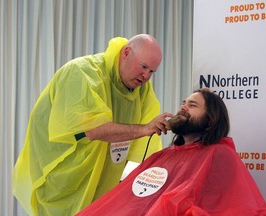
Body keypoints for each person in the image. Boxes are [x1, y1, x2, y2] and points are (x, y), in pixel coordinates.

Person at [12, 34, 173, 216]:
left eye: (152, 72)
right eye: (143, 67)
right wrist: (144, 129)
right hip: (65, 181)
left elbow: (144, 145)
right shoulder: (82, 73)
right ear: (126, 53)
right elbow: (95, 129)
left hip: (103, 184)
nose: (146, 76)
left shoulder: (141, 89)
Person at [77, 88, 266, 216]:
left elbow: (222, 207)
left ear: (211, 119)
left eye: (192, 105)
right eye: (183, 103)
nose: (183, 108)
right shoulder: (165, 155)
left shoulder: (219, 154)